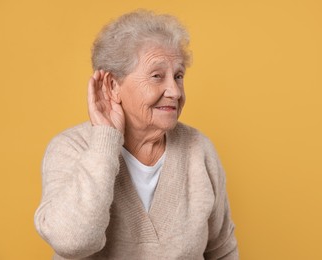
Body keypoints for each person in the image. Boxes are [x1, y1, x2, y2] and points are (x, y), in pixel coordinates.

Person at [34, 10, 238, 260]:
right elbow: (73, 243)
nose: (174, 91)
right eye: (157, 76)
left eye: (179, 76)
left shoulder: (199, 149)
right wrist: (105, 140)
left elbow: (222, 250)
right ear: (112, 86)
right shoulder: (70, 148)